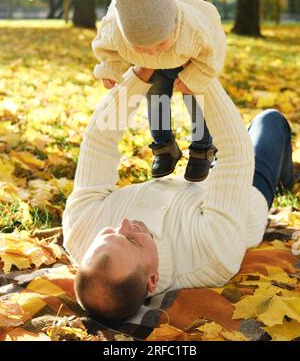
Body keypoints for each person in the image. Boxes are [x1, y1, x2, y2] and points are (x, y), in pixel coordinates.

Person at [62, 66, 294, 322]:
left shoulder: (80, 231)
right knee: (269, 121)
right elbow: (236, 153)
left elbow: (98, 143)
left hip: (187, 186)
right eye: (132, 240)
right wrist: (201, 78)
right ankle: (284, 176)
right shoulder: (213, 255)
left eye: (108, 233)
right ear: (153, 279)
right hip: (240, 192)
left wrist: (138, 75)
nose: (124, 224)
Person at [91, 0, 227, 181]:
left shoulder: (195, 29)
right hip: (154, 69)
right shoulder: (114, 29)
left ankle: (203, 148)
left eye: (161, 43)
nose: (154, 51)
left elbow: (213, 54)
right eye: (141, 47)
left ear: (174, 25)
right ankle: (165, 147)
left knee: (196, 99)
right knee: (157, 98)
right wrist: (110, 68)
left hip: (189, 60)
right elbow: (105, 48)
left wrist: (194, 77)